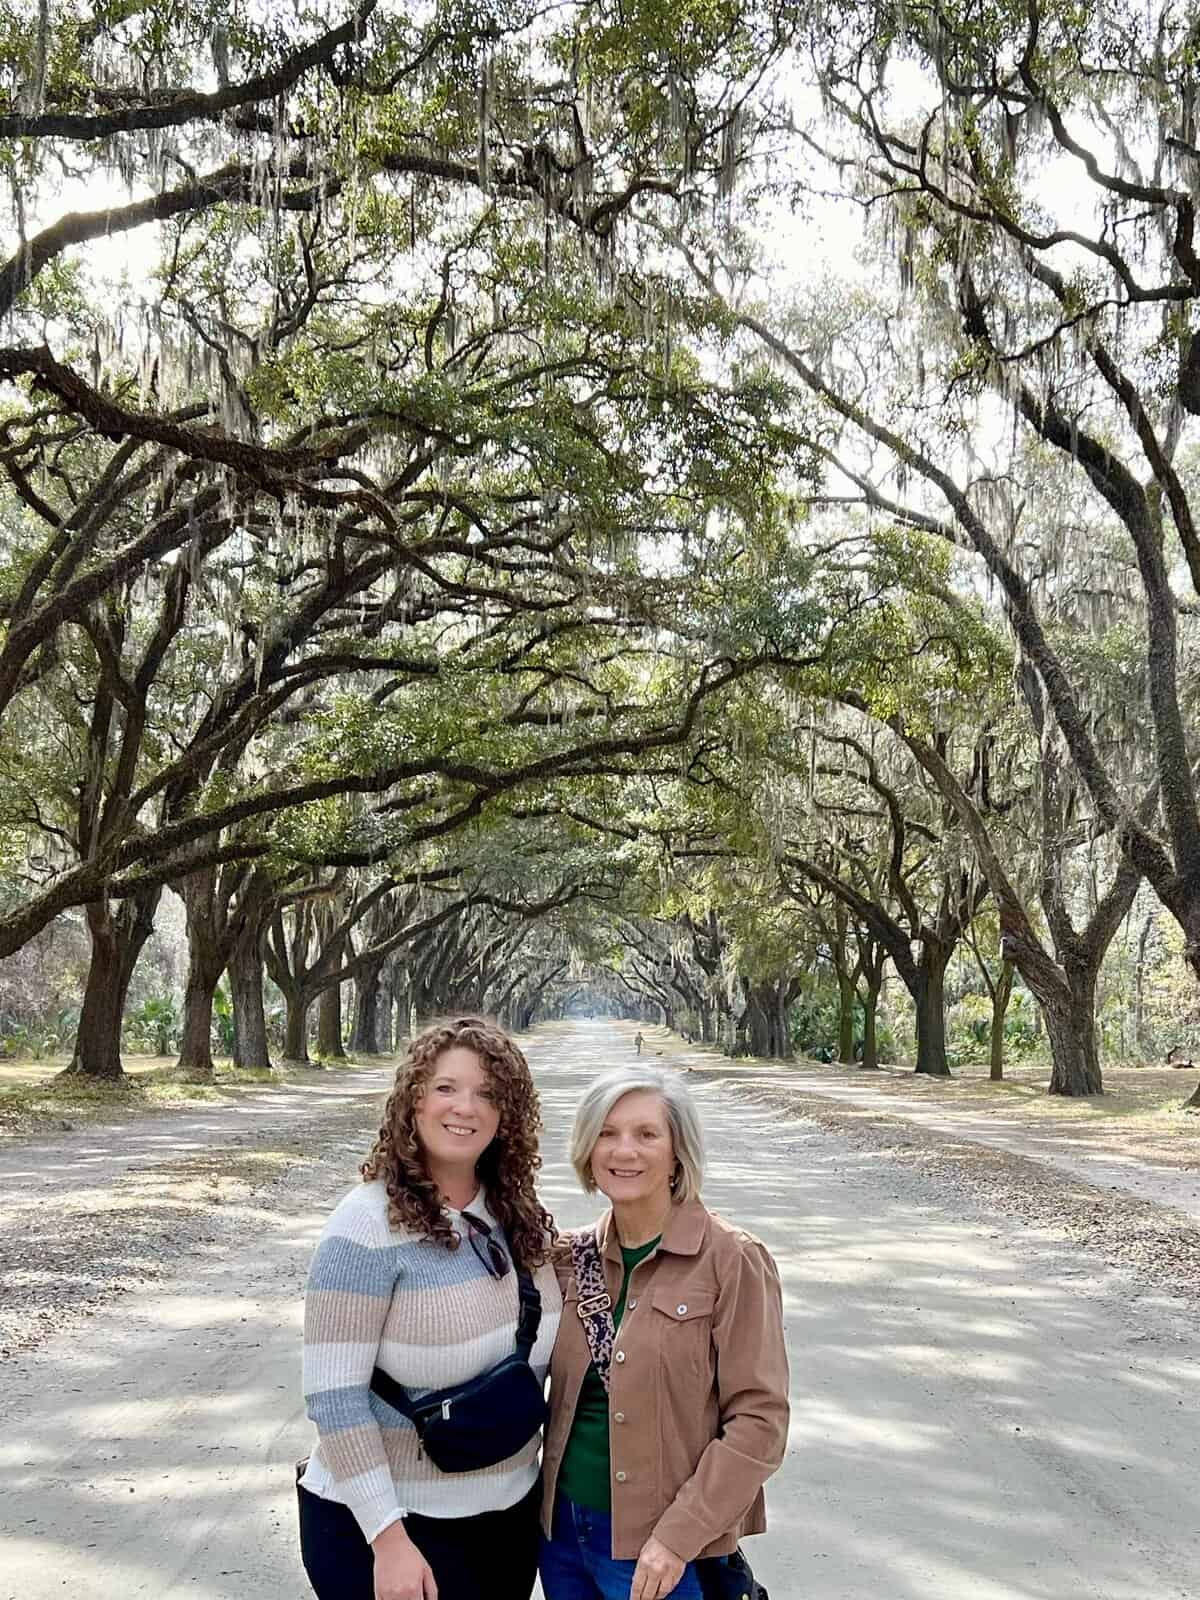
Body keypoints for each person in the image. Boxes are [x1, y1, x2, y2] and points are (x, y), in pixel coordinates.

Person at [298, 1015, 562, 1600]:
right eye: (446, 1087)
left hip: (506, 1523)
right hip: (391, 1530)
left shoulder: (515, 1216)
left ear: (506, 1115)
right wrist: (387, 1540)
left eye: (487, 1094)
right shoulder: (365, 1225)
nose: (465, 1107)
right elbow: (333, 1396)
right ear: (413, 1100)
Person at [540, 1067, 789, 1600]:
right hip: (562, 1536)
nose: (623, 1150)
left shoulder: (732, 1260)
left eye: (646, 1134)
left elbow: (760, 1422)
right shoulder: (569, 1257)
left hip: (664, 1550)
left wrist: (678, 1539)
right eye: (606, 1133)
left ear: (678, 1152)